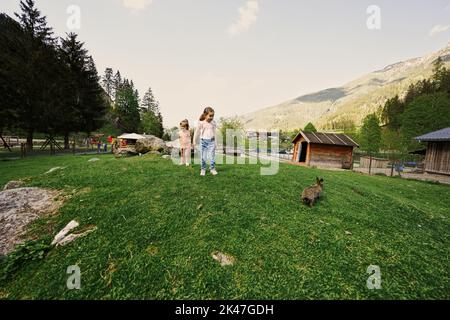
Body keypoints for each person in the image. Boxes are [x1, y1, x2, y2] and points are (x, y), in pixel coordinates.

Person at [193, 107, 218, 176]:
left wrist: (216, 142)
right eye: (210, 115)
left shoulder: (213, 123)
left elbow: (215, 133)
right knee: (203, 157)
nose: (211, 117)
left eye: (213, 116)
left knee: (212, 157)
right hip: (203, 142)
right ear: (205, 115)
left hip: (211, 142)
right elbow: (197, 132)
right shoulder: (201, 123)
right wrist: (194, 141)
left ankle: (212, 169)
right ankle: (203, 169)